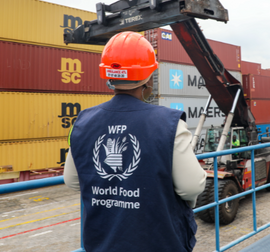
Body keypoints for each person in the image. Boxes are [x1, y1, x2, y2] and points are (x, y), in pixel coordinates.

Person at [64, 31, 207, 252]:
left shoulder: (82, 122)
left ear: (108, 76)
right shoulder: (169, 123)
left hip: (103, 243)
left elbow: (72, 181)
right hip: (159, 242)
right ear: (149, 78)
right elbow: (192, 186)